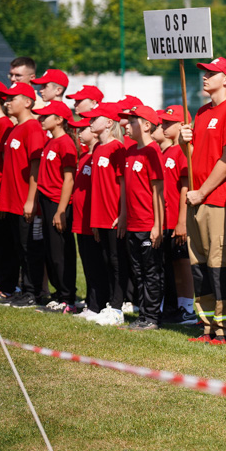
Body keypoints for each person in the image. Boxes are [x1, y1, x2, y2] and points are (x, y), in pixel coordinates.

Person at [180, 57, 226, 345]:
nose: (205, 77)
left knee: (219, 266)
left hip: (218, 200)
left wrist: (202, 192)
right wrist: (185, 144)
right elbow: (197, 156)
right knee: (200, 265)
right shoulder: (203, 110)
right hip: (198, 198)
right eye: (204, 72)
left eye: (212, 73)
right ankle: (207, 326)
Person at [0, 82, 48, 308]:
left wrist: (31, 199)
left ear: (27, 102)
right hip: (11, 200)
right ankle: (22, 290)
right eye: (6, 98)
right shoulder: (15, 128)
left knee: (30, 249)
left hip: (25, 201)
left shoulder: (33, 128)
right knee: (18, 247)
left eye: (12, 98)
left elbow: (36, 166)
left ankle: (33, 292)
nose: (7, 102)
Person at [120, 105, 165, 330]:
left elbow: (158, 190)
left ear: (147, 125)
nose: (127, 126)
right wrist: (123, 216)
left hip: (148, 224)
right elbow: (128, 190)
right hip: (133, 223)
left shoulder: (152, 151)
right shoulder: (130, 152)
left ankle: (152, 318)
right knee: (138, 272)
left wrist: (157, 224)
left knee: (151, 272)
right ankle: (142, 314)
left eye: (133, 121)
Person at [86, 102, 129, 326]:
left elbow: (123, 183)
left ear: (109, 123)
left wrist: (123, 214)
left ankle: (117, 306)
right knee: (105, 259)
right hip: (100, 216)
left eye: (95, 119)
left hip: (114, 215)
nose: (90, 122)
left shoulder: (117, 148)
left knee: (116, 259)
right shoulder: (96, 149)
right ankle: (108, 304)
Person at [33, 101, 77, 314]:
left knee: (61, 252)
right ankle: (58, 294)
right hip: (46, 201)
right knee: (51, 251)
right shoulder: (50, 142)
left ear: (59, 119)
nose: (41, 119)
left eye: (45, 116)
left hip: (57, 202)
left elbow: (69, 179)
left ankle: (68, 299)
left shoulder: (65, 142)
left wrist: (61, 210)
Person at [154, 106, 195, 325]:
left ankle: (187, 308)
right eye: (163, 122)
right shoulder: (165, 152)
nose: (163, 125)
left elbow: (186, 187)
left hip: (177, 218)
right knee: (170, 263)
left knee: (182, 262)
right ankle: (175, 305)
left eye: (169, 122)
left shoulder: (182, 150)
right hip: (165, 218)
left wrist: (182, 220)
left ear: (182, 125)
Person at [68, 114, 105, 319]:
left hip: (94, 220)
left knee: (97, 263)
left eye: (82, 129)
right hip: (80, 219)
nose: (79, 133)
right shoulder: (83, 157)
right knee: (88, 264)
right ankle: (91, 304)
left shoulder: (98, 155)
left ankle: (98, 304)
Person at [0, 81, 14, 298]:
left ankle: (5, 284)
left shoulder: (5, 125)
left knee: (1, 240)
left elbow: (6, 163)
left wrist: (2, 193)